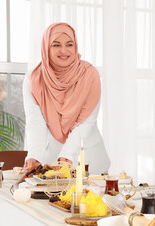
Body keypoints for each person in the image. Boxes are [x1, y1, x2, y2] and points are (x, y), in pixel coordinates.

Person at [23, 22, 110, 174]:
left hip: (89, 160)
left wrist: (67, 155)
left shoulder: (89, 75)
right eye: (56, 45)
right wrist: (35, 155)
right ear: (46, 48)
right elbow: (35, 121)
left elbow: (86, 122)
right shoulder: (34, 79)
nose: (64, 50)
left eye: (69, 44)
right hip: (52, 160)